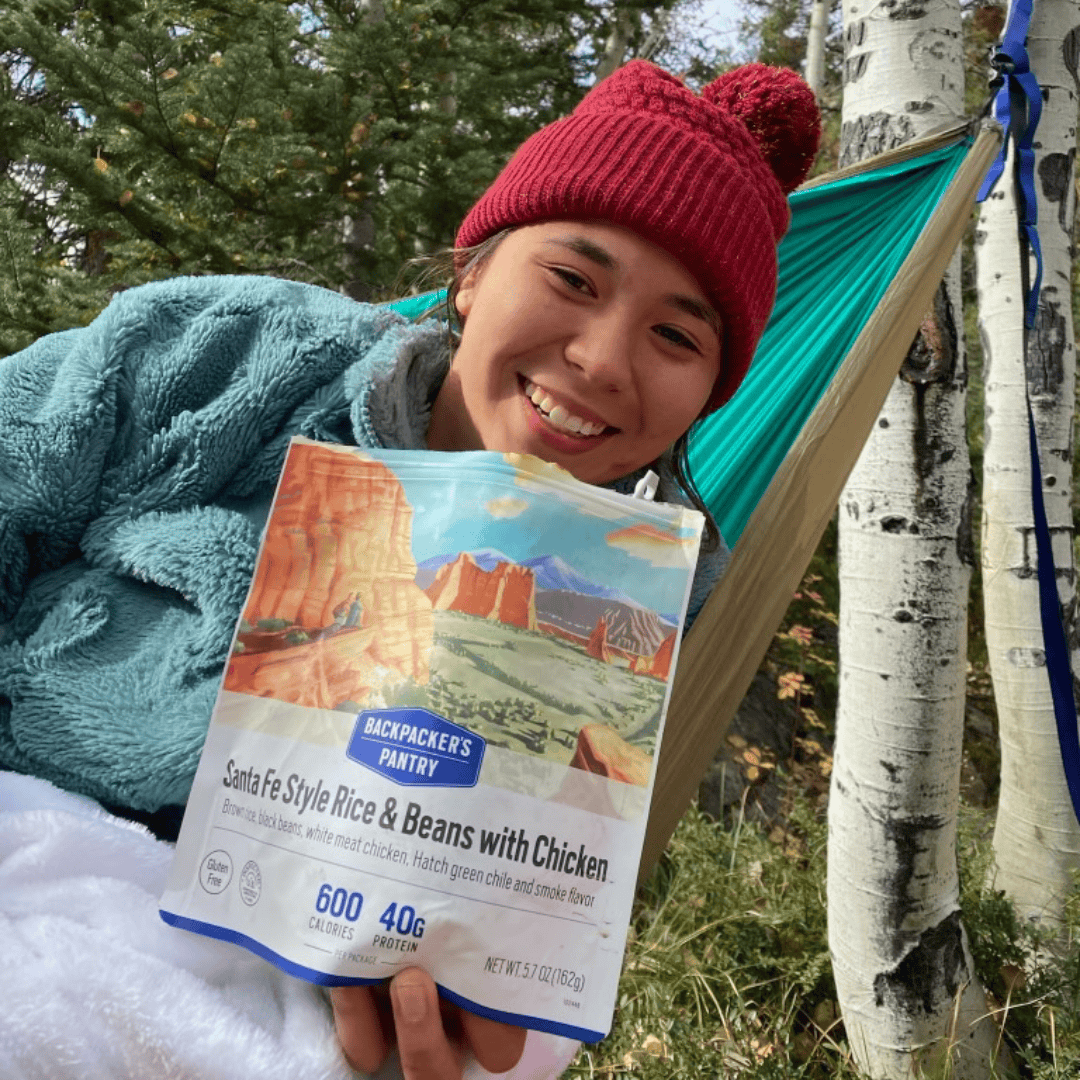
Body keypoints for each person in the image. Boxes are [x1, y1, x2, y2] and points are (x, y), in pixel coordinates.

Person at [0, 58, 819, 1080]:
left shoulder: (641, 600)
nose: (606, 359)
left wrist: (467, 991)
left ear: (708, 389)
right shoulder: (236, 352)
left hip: (276, 982)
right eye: (573, 279)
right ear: (473, 273)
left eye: (674, 335)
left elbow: (527, 902)